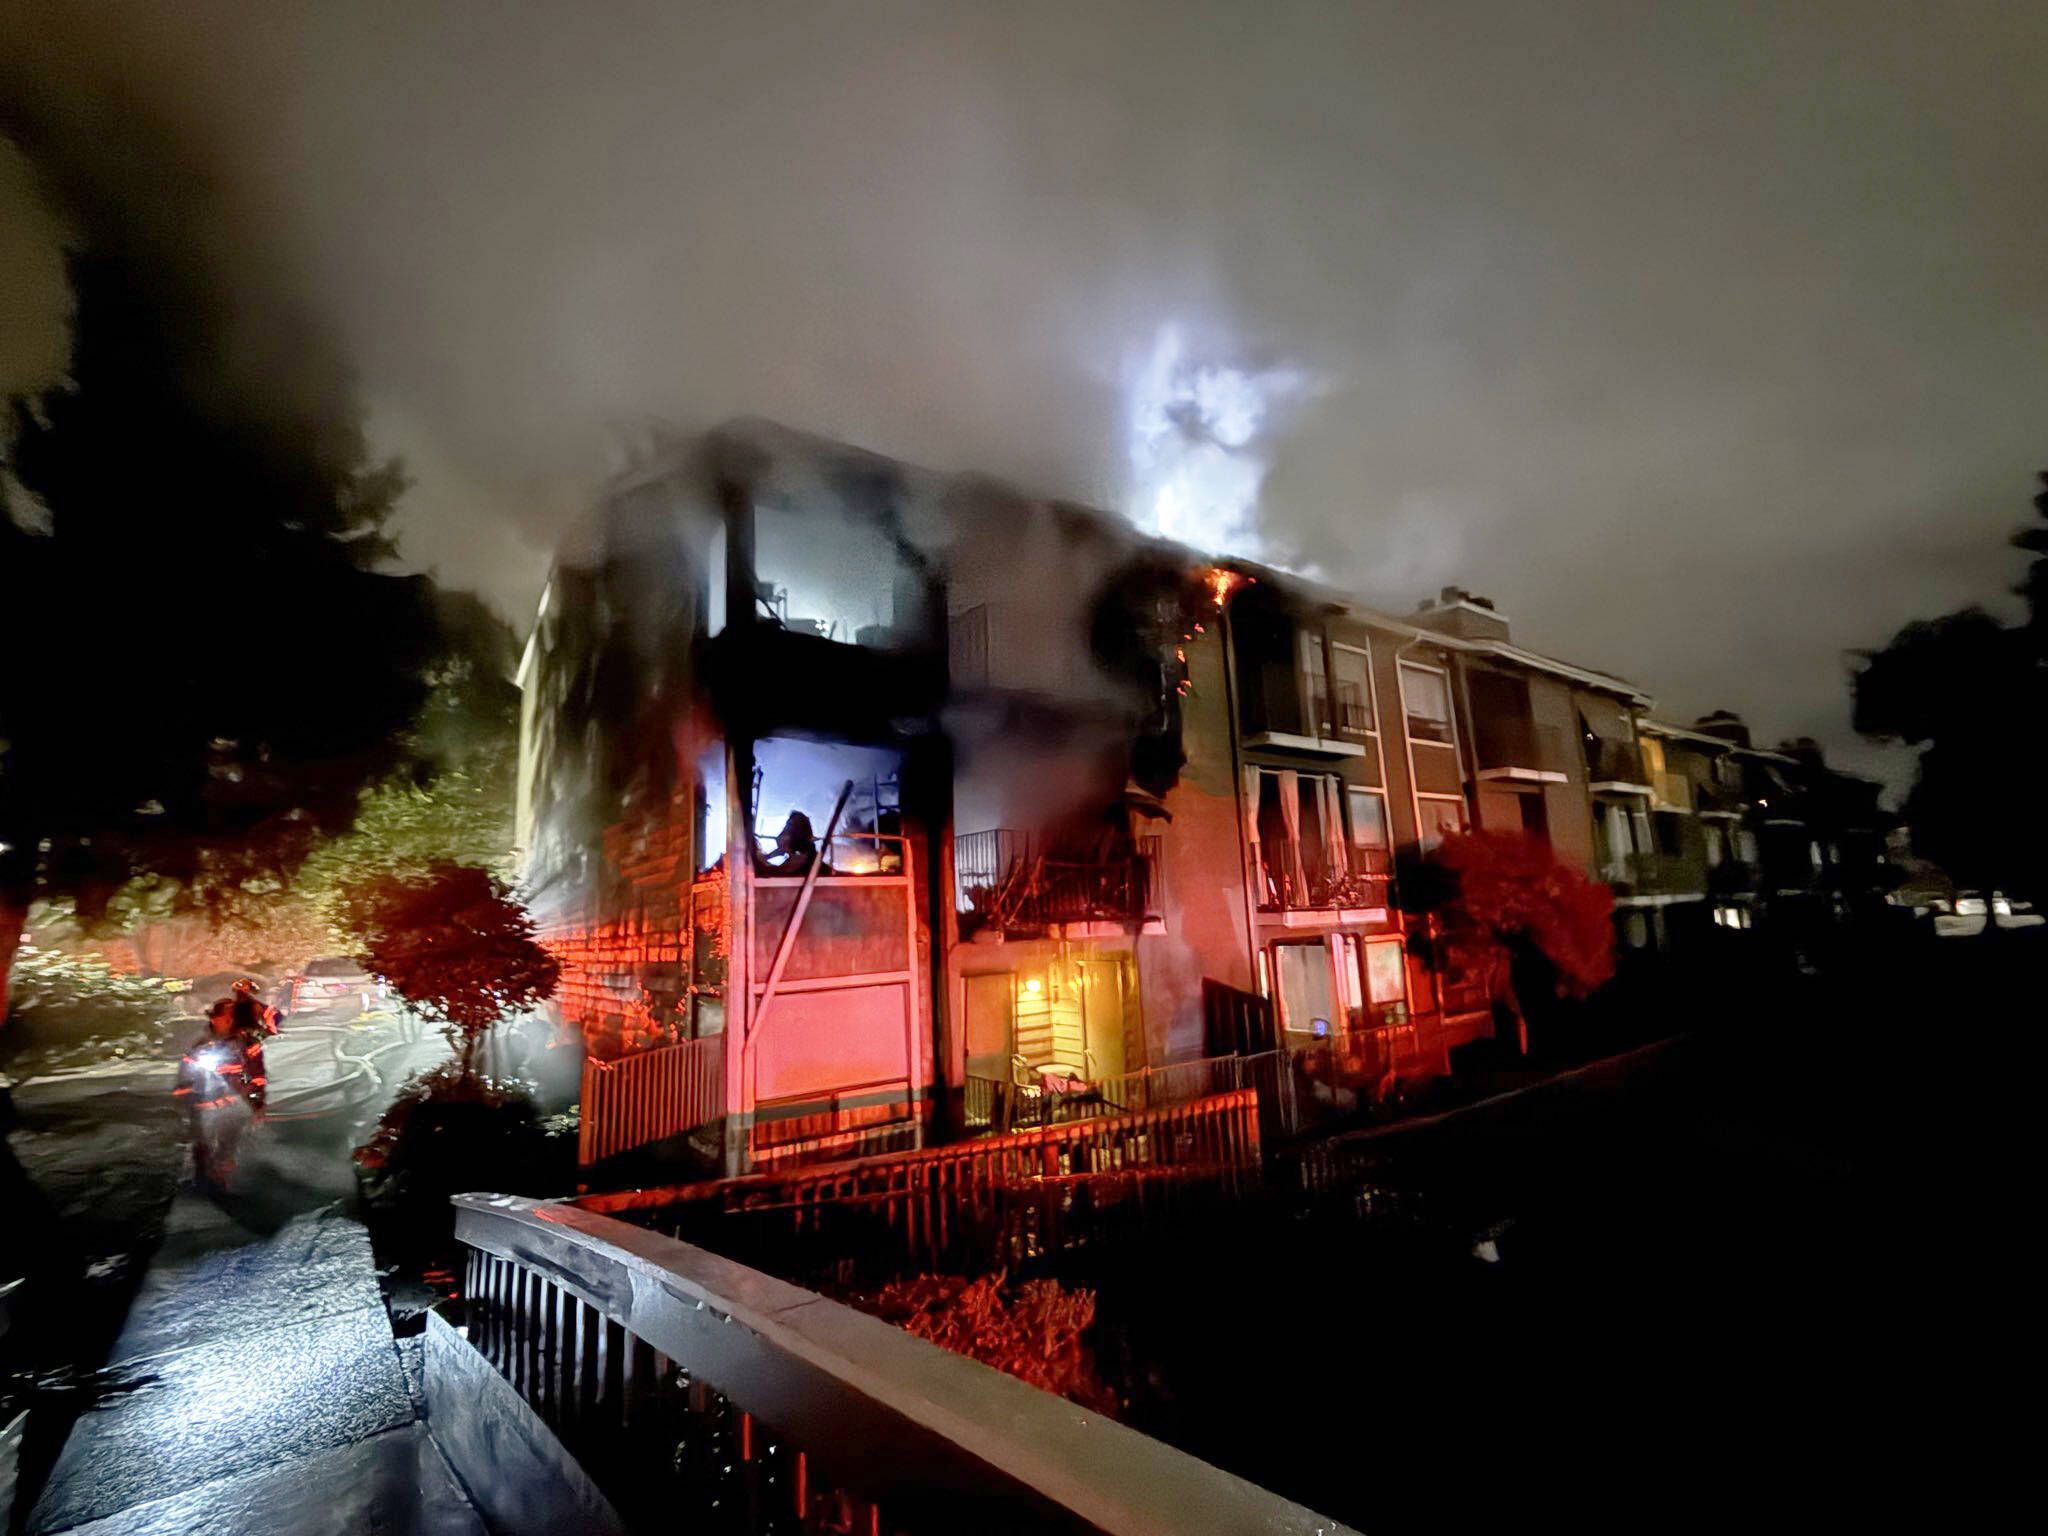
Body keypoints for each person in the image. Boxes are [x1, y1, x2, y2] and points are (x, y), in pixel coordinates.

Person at [172, 999, 265, 1190]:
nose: (230, 1020)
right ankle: (201, 1181)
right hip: (203, 1106)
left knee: (228, 1146)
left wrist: (257, 1103)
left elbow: (257, 1076)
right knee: (202, 1146)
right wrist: (185, 1092)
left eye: (234, 1016)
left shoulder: (248, 1044)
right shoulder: (201, 1046)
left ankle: (223, 1182)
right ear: (214, 1018)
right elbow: (186, 1073)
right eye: (226, 1015)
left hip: (234, 1106)